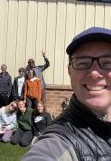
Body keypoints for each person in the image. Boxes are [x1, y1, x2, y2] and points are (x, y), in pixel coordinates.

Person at [23, 27, 111, 160]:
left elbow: (47, 65)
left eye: (108, 62)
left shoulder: (39, 68)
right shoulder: (58, 141)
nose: (94, 73)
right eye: (83, 63)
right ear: (69, 71)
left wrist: (45, 57)